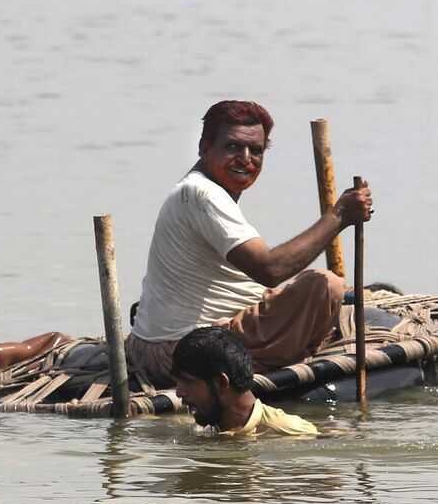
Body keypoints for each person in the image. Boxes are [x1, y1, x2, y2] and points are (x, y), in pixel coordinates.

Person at [128, 100, 373, 387]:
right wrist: (339, 216)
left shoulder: (202, 191)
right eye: (232, 147)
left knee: (326, 292)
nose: (245, 159)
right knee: (324, 285)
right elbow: (270, 269)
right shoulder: (201, 194)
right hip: (186, 352)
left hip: (174, 344)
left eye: (255, 151)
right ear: (205, 147)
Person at [171, 325, 317, 436]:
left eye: (188, 382)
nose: (179, 392)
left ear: (222, 383)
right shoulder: (204, 427)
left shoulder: (292, 434)